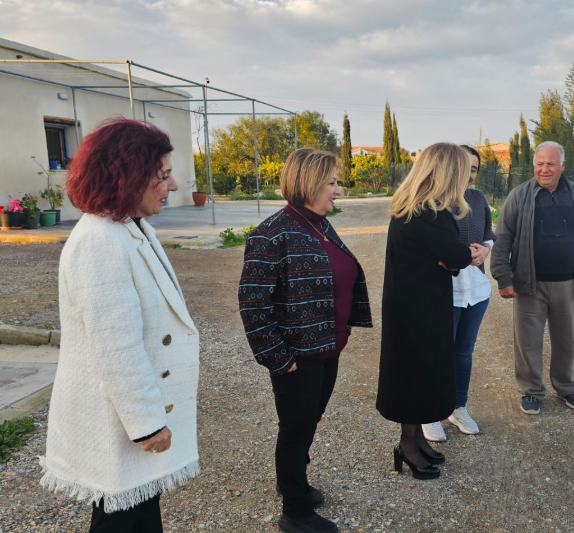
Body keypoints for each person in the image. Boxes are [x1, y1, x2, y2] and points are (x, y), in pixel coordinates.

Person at [39, 118, 200, 533]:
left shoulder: (129, 227)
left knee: (141, 513)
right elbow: (116, 347)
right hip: (118, 421)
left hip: (127, 417)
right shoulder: (99, 241)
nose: (173, 186)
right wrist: (147, 423)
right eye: (162, 176)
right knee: (120, 520)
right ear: (127, 176)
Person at [239, 148, 372, 533]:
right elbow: (253, 305)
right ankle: (295, 512)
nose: (338, 191)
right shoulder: (271, 234)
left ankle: (291, 481)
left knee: (308, 423)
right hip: (298, 357)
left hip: (328, 349)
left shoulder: (320, 225)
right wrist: (279, 359)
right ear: (310, 182)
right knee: (296, 431)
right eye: (332, 183)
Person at [376, 143, 478, 480]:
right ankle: (407, 445)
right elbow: (455, 255)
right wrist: (471, 253)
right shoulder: (425, 212)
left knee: (421, 372)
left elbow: (447, 256)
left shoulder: (417, 206)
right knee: (414, 374)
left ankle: (417, 439)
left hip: (417, 302)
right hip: (416, 308)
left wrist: (454, 257)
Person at [490, 141, 574, 415]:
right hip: (529, 283)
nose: (544, 169)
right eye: (540, 164)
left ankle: (566, 387)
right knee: (527, 341)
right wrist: (503, 278)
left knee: (566, 341)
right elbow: (502, 239)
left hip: (567, 283)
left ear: (562, 165)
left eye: (551, 164)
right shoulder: (519, 196)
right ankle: (531, 390)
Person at [422, 145, 496, 442]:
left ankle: (457, 406)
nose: (468, 174)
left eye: (474, 169)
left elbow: (489, 234)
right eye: (464, 167)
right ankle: (429, 411)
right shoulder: (433, 201)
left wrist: (486, 249)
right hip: (445, 289)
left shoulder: (478, 199)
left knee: (463, 352)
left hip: (475, 290)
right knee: (438, 352)